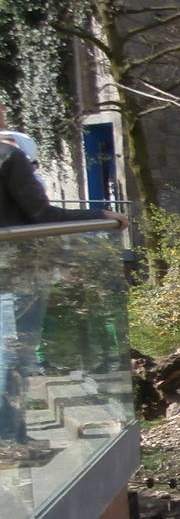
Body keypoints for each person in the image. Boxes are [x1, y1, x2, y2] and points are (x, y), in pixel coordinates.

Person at [0, 107, 128, 461]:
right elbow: (44, 216)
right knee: (13, 356)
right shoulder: (8, 155)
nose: (5, 112)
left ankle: (15, 436)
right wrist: (100, 215)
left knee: (7, 355)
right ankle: (7, 440)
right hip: (16, 271)